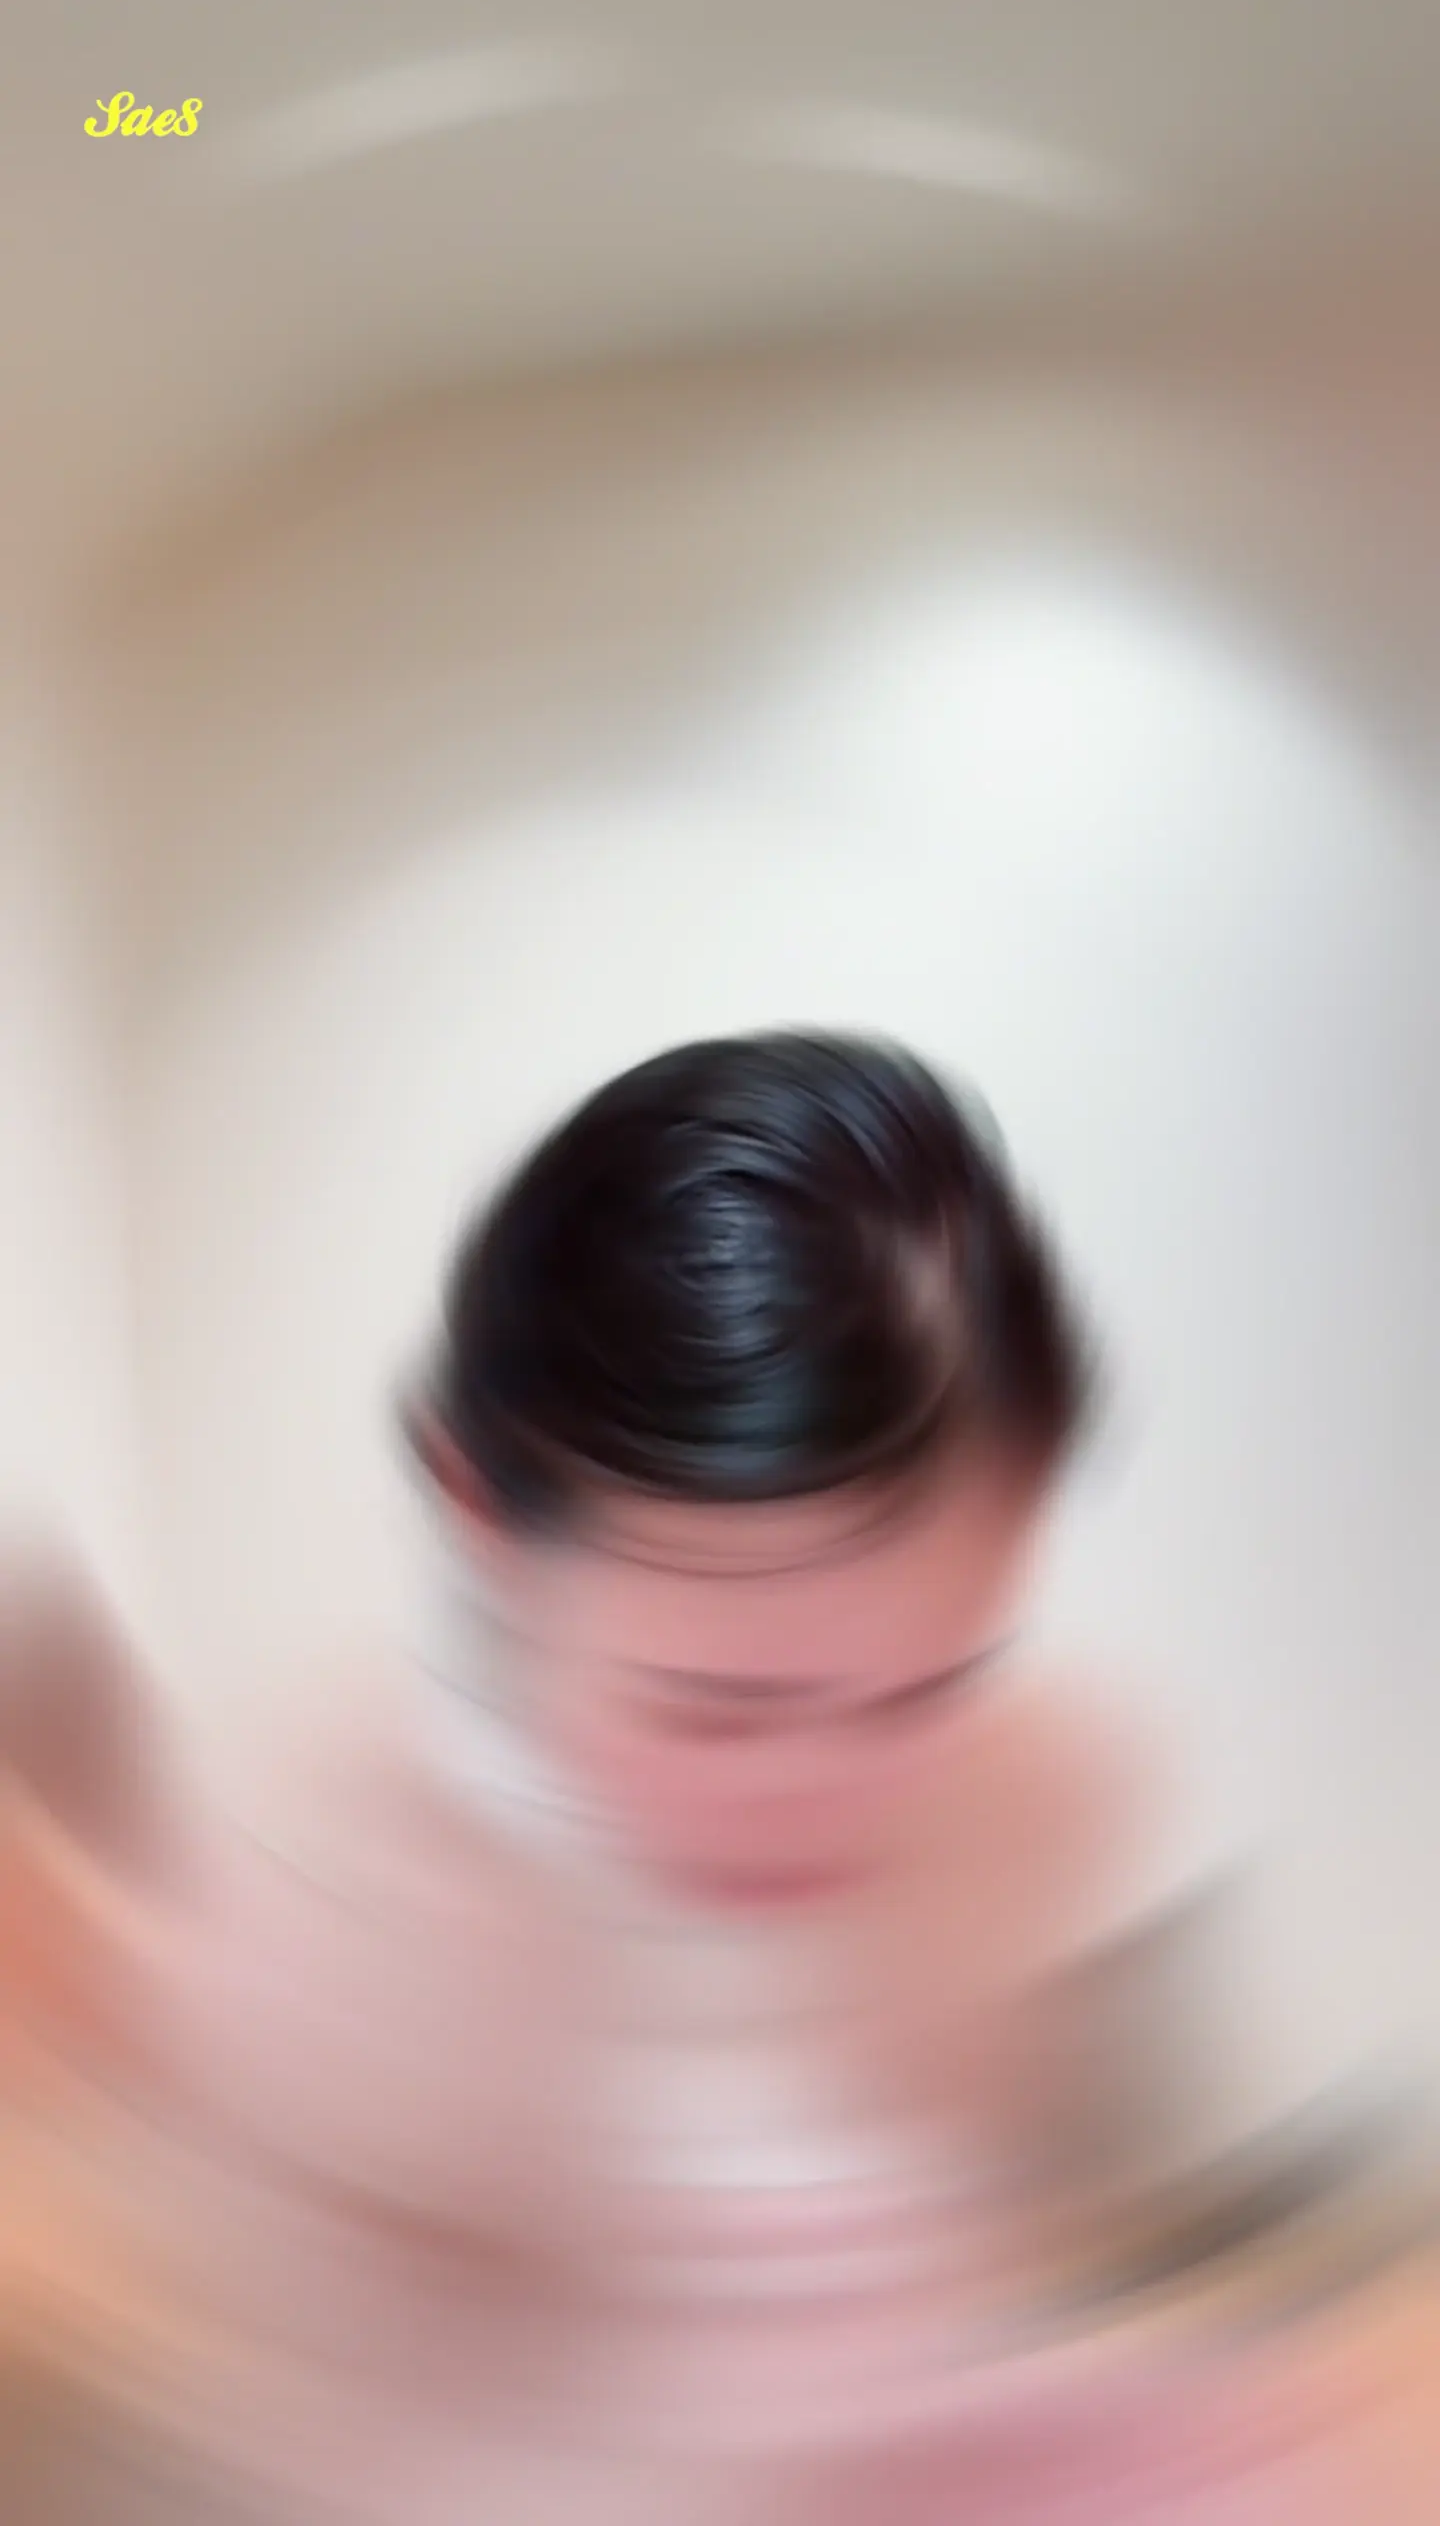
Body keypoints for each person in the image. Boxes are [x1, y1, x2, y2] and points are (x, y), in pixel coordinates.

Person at [0, 1031, 1333, 2520]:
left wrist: (1049, 2413)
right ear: (479, 1518)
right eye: (719, 1712)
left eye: (932, 1687)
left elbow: (996, 2283)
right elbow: (302, 2451)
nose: (842, 1795)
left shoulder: (1043, 1789)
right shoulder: (314, 1896)